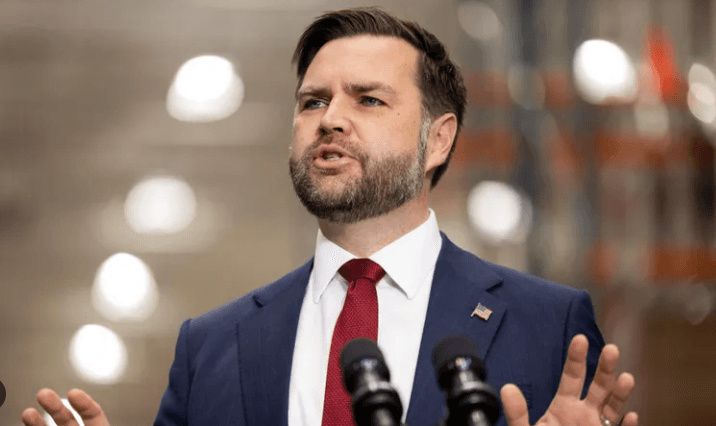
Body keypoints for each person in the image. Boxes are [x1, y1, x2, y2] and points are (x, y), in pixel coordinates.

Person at [21, 7, 638, 426]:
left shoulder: (548, 325)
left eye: (368, 99)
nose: (330, 119)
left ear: (438, 140)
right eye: (313, 101)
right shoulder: (210, 348)